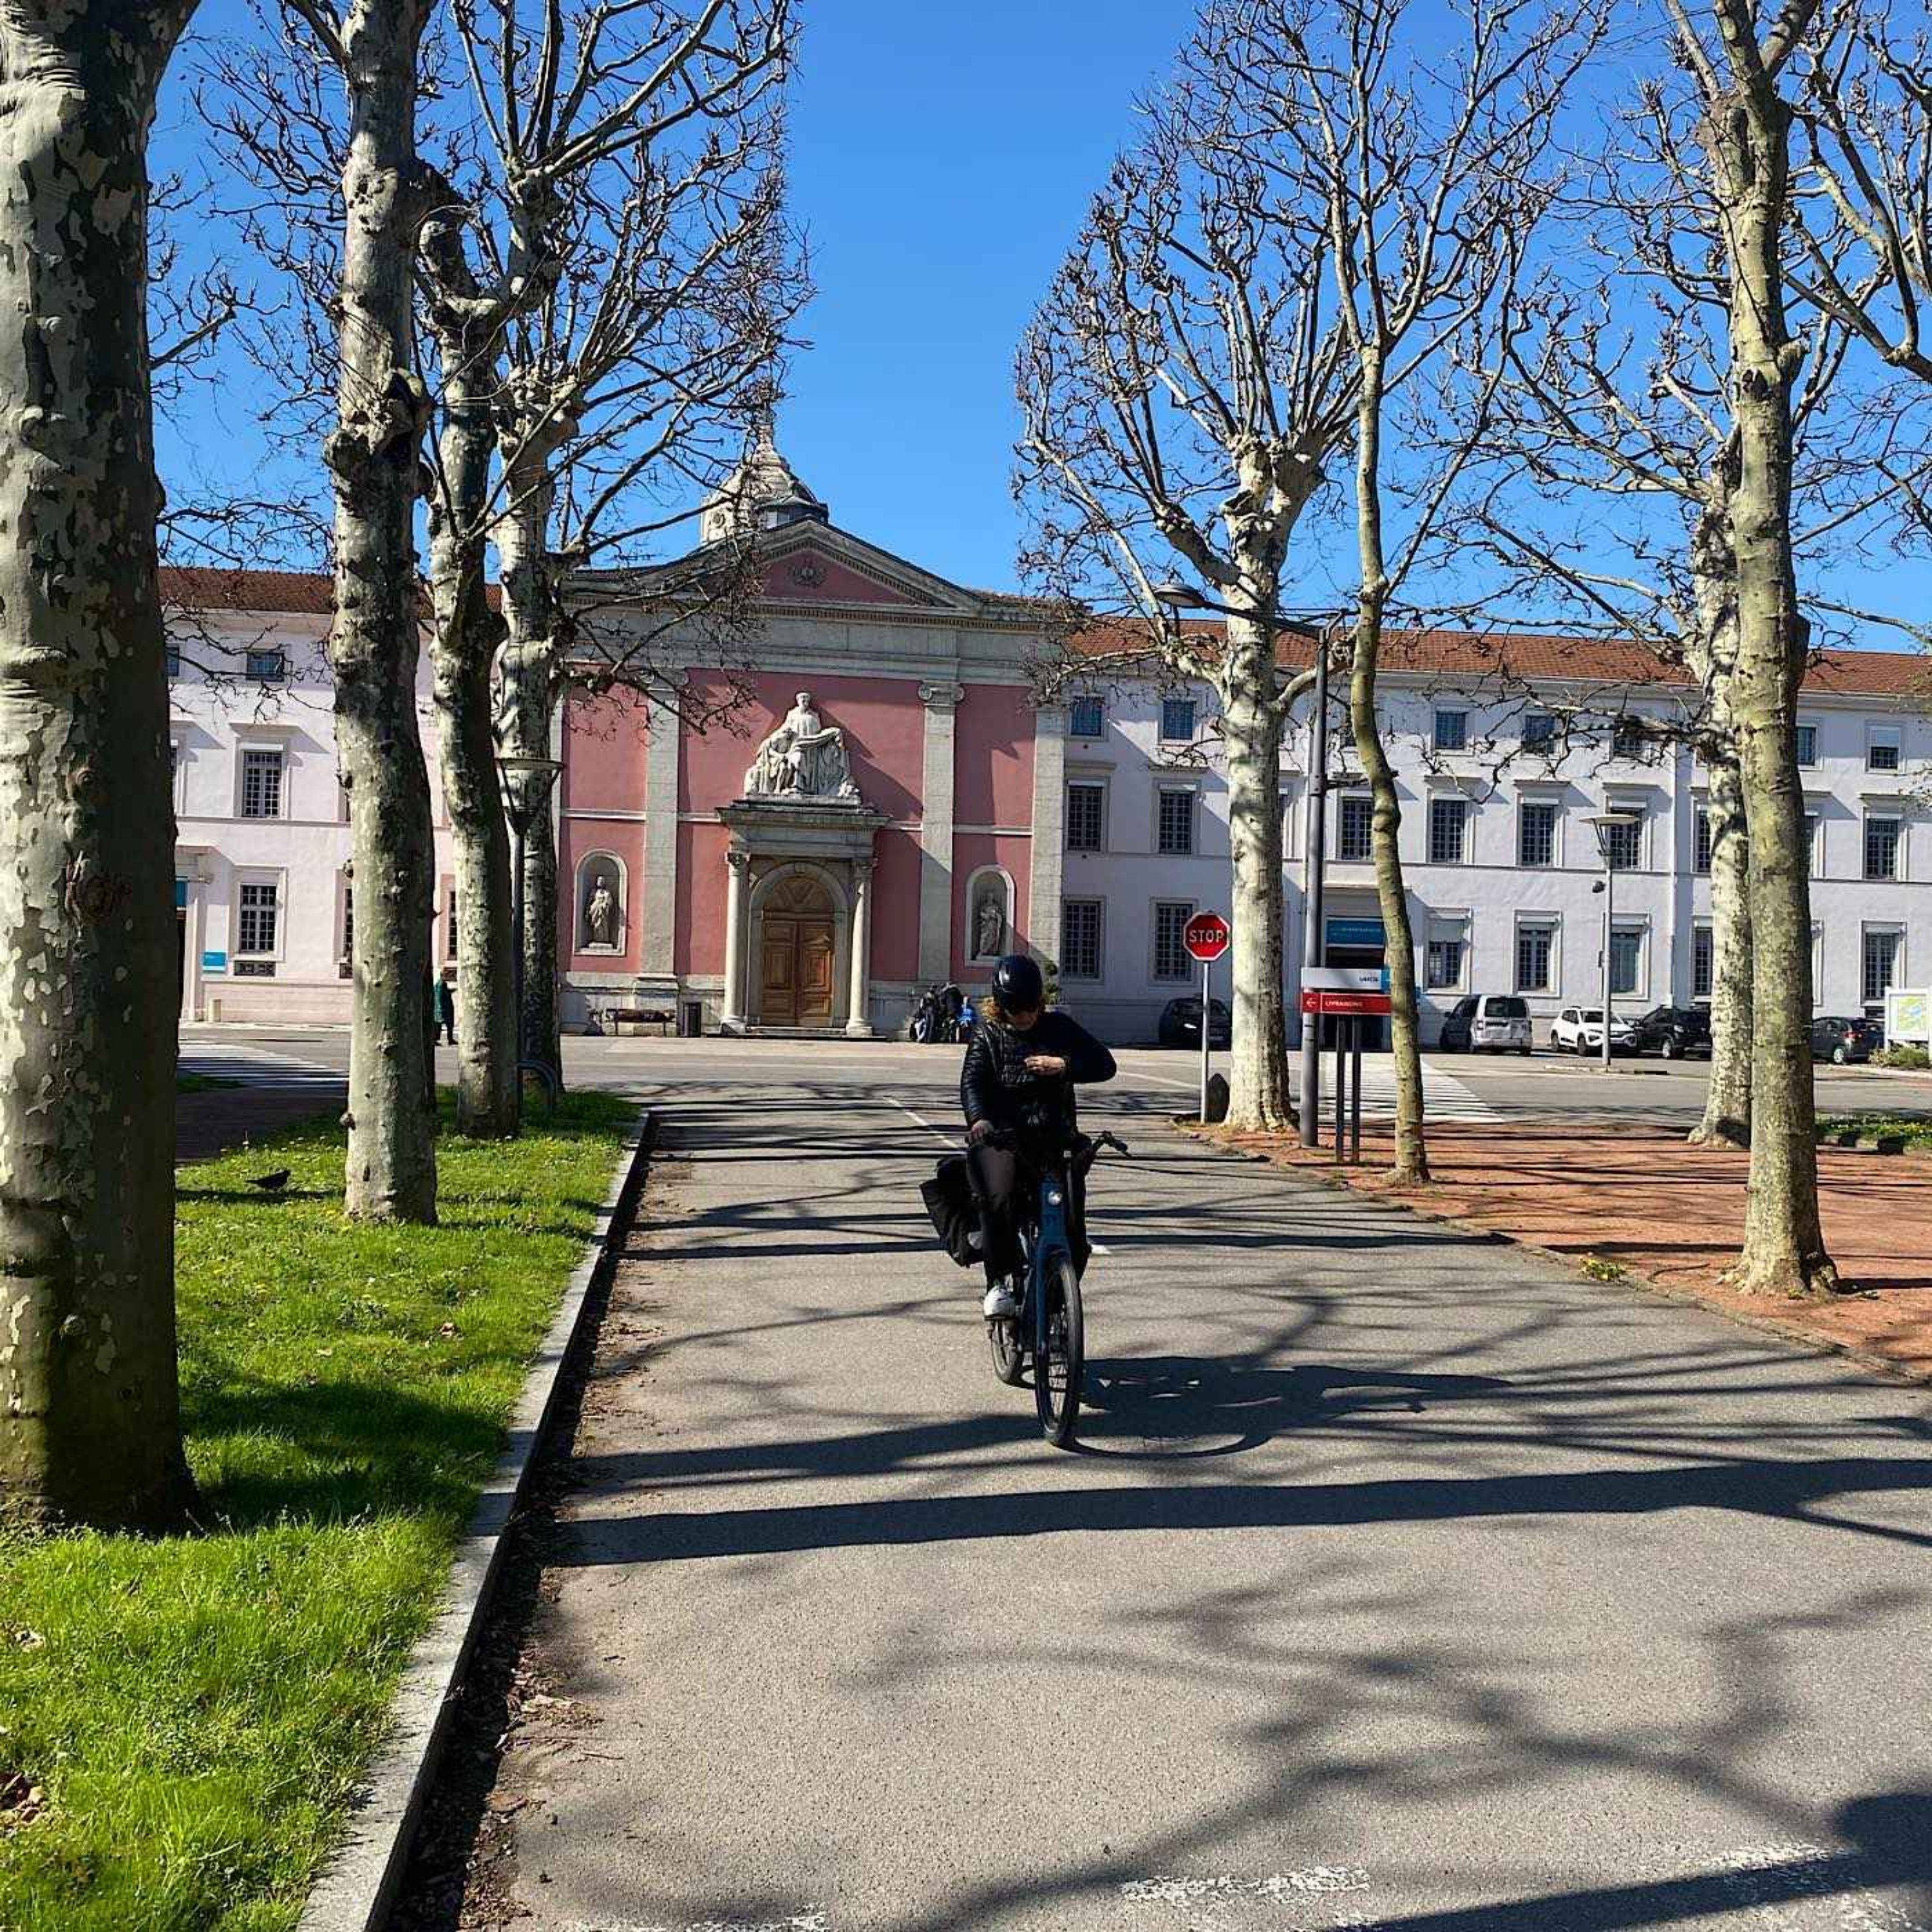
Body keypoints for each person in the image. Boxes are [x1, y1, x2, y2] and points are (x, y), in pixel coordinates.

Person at [959, 953, 1116, 1320]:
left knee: (1074, 1235)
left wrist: (1065, 1066)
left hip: (1055, 1141)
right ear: (1000, 1006)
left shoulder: (1059, 1028)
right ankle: (998, 1283)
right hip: (1004, 1141)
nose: (1026, 1017)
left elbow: (1105, 1065)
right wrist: (979, 1120)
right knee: (997, 1199)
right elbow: (973, 1083)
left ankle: (1057, 1302)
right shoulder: (988, 1035)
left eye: (1031, 1008)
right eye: (1017, 1010)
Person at [435, 969, 457, 1045]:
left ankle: (450, 1039)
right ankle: (437, 1040)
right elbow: (439, 997)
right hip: (444, 1009)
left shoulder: (443, 984)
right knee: (440, 1025)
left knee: (447, 1025)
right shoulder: (441, 984)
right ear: (443, 976)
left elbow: (445, 993)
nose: (448, 977)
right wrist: (440, 1008)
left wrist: (451, 991)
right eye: (446, 976)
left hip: (445, 1008)